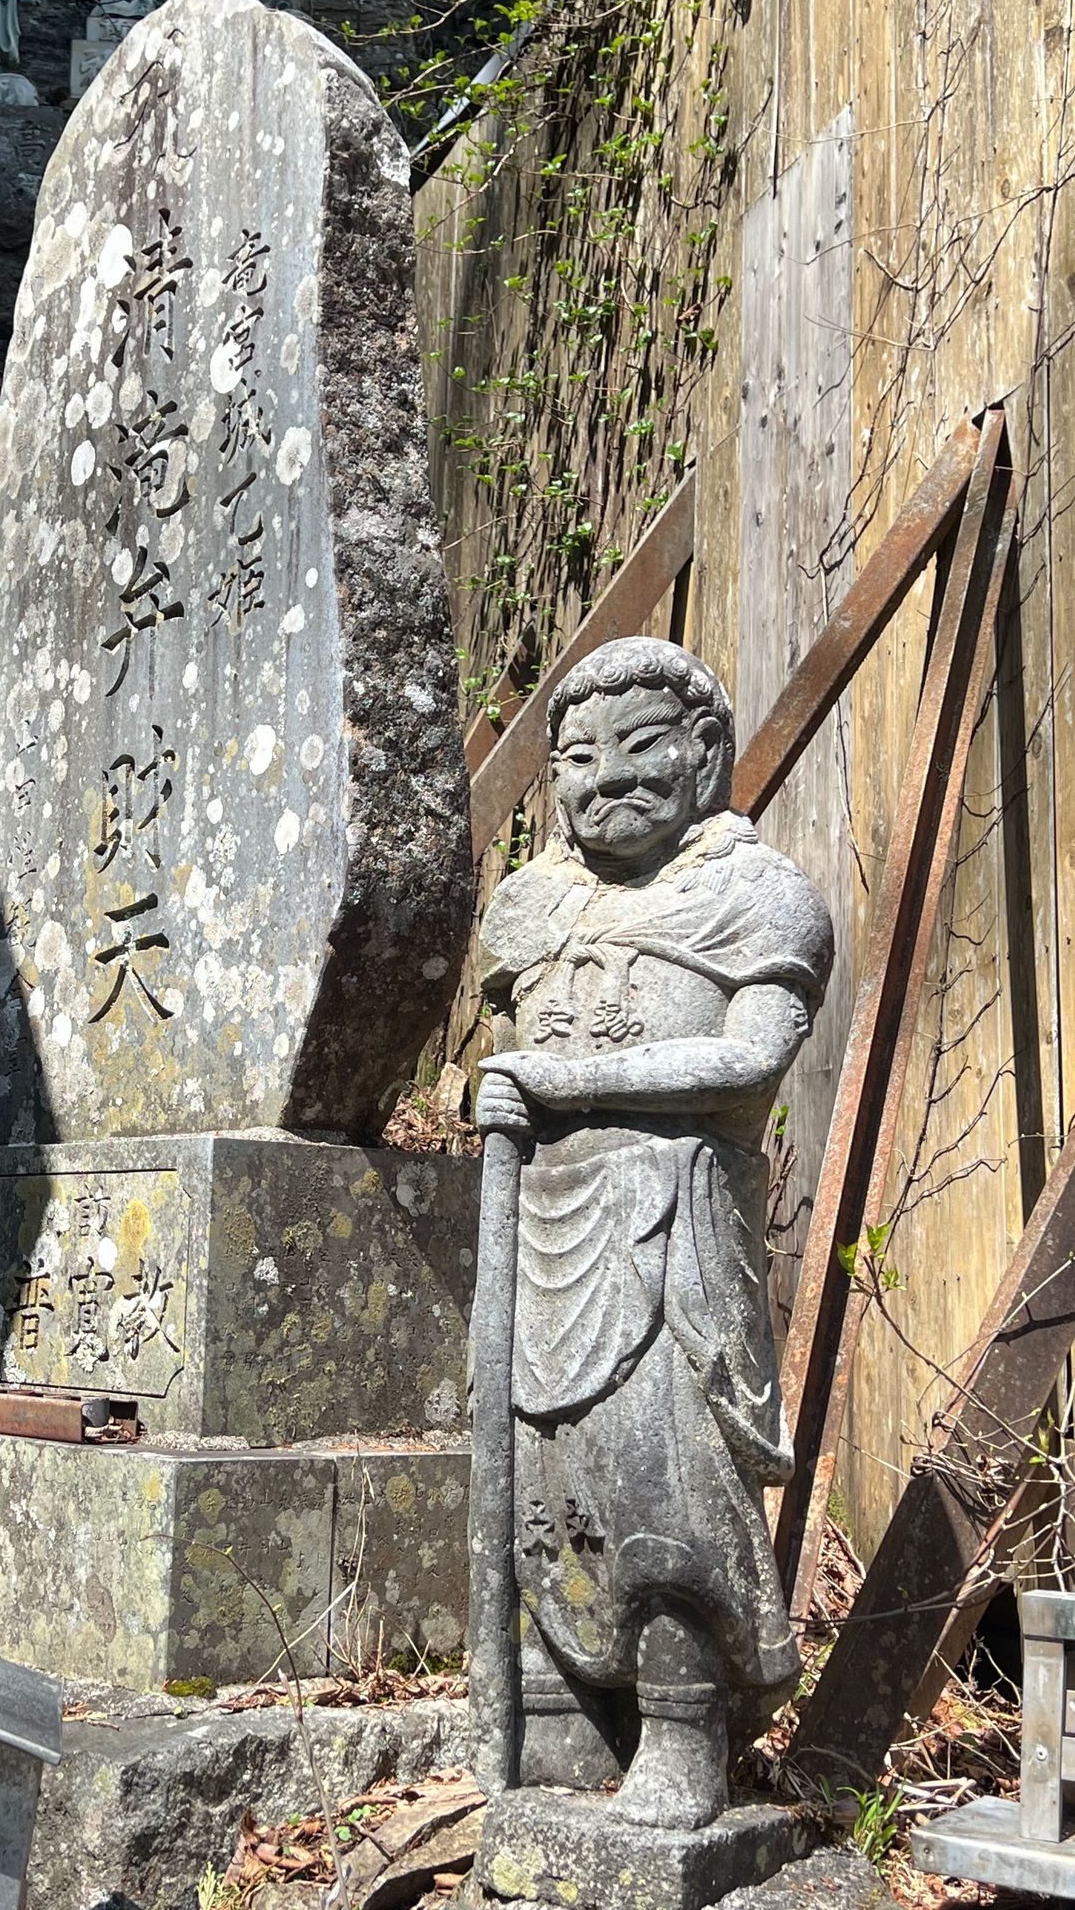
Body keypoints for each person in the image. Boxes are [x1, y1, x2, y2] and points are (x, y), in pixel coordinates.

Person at [476, 635, 833, 1829]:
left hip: (673, 1221)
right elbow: (505, 1060)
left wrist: (575, 1084)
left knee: (662, 1473)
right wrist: (501, 1096)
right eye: (579, 757)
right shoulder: (530, 907)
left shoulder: (759, 895)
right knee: (547, 1471)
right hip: (543, 1226)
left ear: (706, 752)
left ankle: (684, 1727)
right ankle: (566, 1709)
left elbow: (752, 1060)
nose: (608, 778)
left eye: (641, 747)